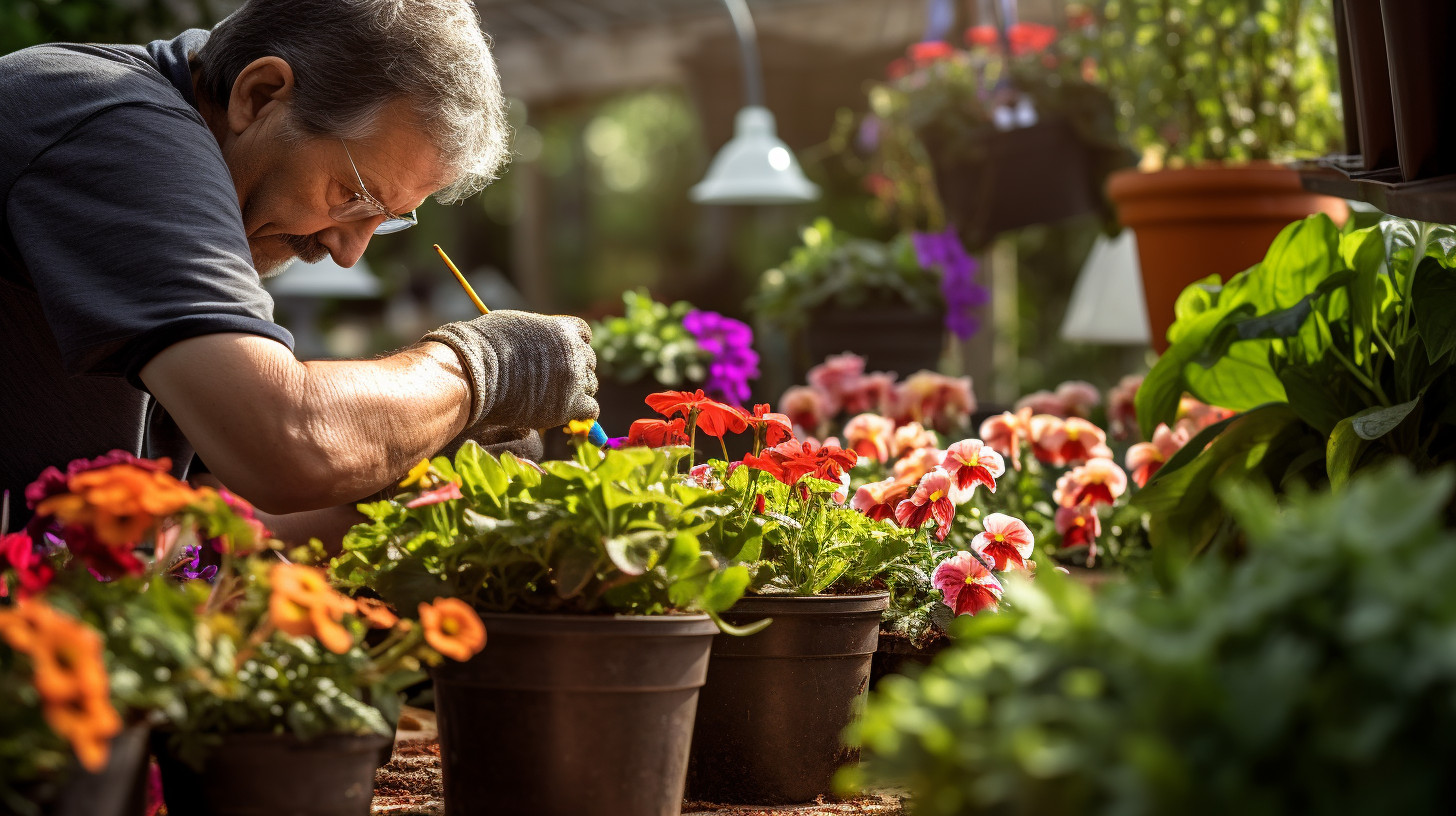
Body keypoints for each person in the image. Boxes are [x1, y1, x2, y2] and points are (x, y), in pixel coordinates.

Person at [0, 0, 598, 544]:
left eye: (386, 220)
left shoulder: (211, 175)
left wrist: (401, 478)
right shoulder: (116, 123)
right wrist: (486, 368)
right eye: (353, 197)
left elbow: (208, 511)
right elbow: (286, 444)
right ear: (259, 95)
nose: (346, 252)